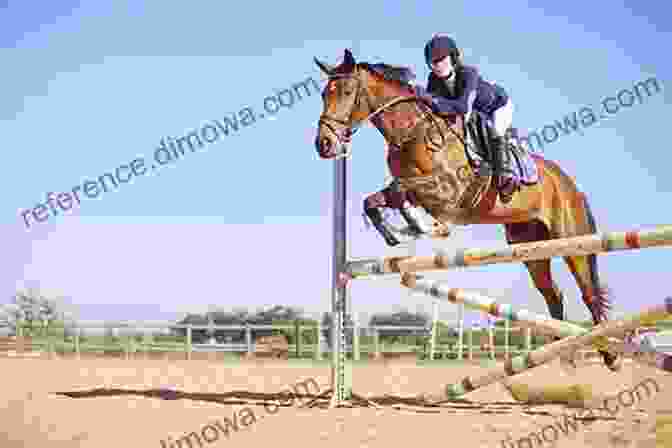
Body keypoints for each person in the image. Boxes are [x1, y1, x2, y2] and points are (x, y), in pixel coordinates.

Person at [416, 34, 520, 203]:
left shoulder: (468, 73)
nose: (437, 65)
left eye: (441, 59)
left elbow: (462, 107)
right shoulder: (433, 80)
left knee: (496, 130)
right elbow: (434, 110)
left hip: (496, 107)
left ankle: (506, 176)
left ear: (453, 57)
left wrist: (430, 99)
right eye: (433, 62)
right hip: (473, 115)